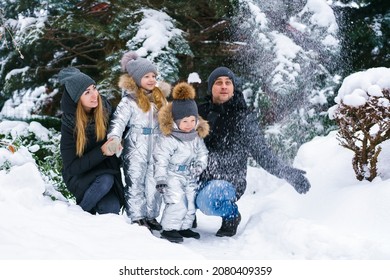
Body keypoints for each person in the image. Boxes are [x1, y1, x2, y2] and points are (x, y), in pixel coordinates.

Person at [196, 66, 311, 237]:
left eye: (228, 82)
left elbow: (261, 152)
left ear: (234, 88)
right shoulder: (199, 112)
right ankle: (185, 218)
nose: (224, 86)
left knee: (209, 198)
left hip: (228, 181)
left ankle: (231, 216)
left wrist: (285, 172)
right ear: (211, 87)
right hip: (198, 175)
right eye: (218, 82)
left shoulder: (243, 118)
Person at [108, 51, 170, 230]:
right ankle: (137, 216)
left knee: (154, 183)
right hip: (135, 147)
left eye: (153, 76)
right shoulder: (129, 101)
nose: (151, 79)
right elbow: (118, 121)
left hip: (157, 147)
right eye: (146, 76)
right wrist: (114, 137)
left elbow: (168, 121)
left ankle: (151, 216)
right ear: (136, 79)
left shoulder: (160, 99)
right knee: (135, 181)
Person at [59, 67, 125, 215]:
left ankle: (92, 212)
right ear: (77, 99)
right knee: (105, 181)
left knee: (112, 209)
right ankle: (79, 213)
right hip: (81, 177)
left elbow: (122, 129)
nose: (94, 95)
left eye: (94, 88)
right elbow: (72, 168)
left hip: (107, 171)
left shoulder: (105, 109)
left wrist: (120, 141)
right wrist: (102, 151)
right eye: (86, 92)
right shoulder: (70, 124)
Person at [154, 82, 209, 243]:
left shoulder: (195, 137)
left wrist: (199, 165)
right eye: (185, 121)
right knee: (177, 201)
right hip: (172, 175)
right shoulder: (169, 138)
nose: (189, 125)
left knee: (191, 202)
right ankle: (169, 228)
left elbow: (203, 153)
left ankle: (184, 227)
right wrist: (161, 178)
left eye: (192, 120)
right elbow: (161, 159)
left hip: (189, 174)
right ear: (176, 121)